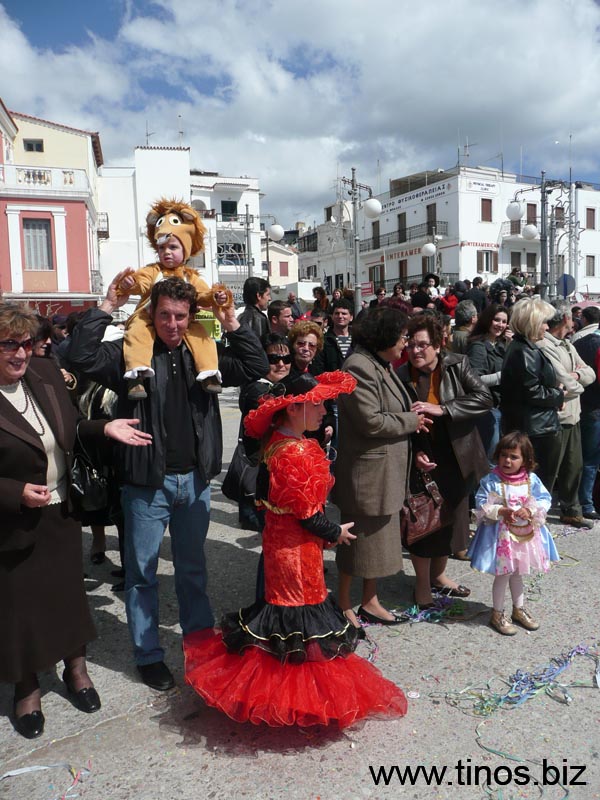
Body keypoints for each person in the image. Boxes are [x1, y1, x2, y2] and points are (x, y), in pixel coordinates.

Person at [68, 275, 269, 692]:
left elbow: (255, 366)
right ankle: (148, 654)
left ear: (191, 315)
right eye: (164, 315)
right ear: (152, 314)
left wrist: (232, 322)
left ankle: (198, 644)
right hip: (145, 484)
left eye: (180, 316)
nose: (172, 324)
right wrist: (107, 305)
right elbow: (79, 355)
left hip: (193, 481)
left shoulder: (205, 354)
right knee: (141, 574)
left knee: (192, 570)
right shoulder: (129, 354)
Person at [183, 371, 408, 728]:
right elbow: (307, 515)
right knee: (299, 625)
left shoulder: (279, 443)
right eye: (315, 404)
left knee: (290, 623)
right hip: (295, 553)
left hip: (285, 547)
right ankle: (297, 703)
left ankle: (290, 698)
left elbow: (271, 504)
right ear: (292, 410)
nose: (323, 411)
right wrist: (336, 532)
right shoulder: (293, 452)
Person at [0, 302, 151, 739]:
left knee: (67, 597)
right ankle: (27, 688)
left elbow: (70, 429)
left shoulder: (45, 375)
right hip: (13, 521)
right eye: (8, 344)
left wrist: (103, 429)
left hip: (61, 512)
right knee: (20, 608)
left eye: (25, 343)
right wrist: (12, 493)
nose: (20, 353)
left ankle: (76, 670)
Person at [334, 307, 428, 626]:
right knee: (356, 543)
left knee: (377, 544)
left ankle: (370, 601)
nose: (406, 343)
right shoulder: (358, 366)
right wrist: (411, 420)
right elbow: (370, 421)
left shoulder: (379, 362)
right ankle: (344, 603)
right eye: (402, 337)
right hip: (367, 473)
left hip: (384, 471)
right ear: (384, 335)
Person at [397, 314, 492, 608]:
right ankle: (422, 585)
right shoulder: (400, 375)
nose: (416, 351)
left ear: (438, 345)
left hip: (457, 454)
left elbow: (483, 397)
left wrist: (444, 409)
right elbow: (398, 419)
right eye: (411, 345)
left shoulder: (456, 364)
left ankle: (439, 576)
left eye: (423, 345)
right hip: (422, 456)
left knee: (451, 521)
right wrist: (415, 452)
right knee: (424, 524)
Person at [115, 200, 233, 400]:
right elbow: (141, 283)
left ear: (185, 250)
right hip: (147, 316)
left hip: (185, 321)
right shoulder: (153, 270)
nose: (166, 252)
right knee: (136, 331)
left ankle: (209, 372)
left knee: (202, 336)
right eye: (162, 248)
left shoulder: (191, 276)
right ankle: (137, 373)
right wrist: (128, 284)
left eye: (173, 247)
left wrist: (216, 296)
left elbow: (202, 296)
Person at [468, 432, 559, 635]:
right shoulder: (492, 480)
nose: (507, 460)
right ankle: (497, 613)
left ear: (525, 460)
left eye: (514, 457)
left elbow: (544, 499)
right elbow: (481, 502)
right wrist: (500, 510)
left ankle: (518, 609)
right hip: (501, 537)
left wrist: (531, 510)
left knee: (518, 573)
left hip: (525, 537)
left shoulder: (531, 480)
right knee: (504, 574)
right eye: (503, 455)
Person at [536, 304, 595, 528]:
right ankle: (537, 516)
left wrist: (576, 375)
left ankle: (571, 510)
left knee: (574, 465)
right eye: (572, 317)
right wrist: (575, 380)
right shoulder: (545, 345)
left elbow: (589, 373)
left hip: (573, 414)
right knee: (548, 470)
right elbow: (557, 381)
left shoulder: (567, 344)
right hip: (556, 418)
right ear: (566, 319)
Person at [500, 298, 565, 495]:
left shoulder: (524, 348)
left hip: (535, 425)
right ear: (532, 322)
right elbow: (532, 390)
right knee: (536, 489)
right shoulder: (524, 351)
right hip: (536, 429)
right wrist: (558, 394)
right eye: (544, 322)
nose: (547, 327)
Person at [237, 334, 292, 531]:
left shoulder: (280, 387)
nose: (281, 364)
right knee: (273, 535)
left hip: (277, 474)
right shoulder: (257, 390)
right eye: (273, 359)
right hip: (263, 475)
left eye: (286, 359)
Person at [466, 303, 512, 462]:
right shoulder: (478, 346)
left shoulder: (501, 344)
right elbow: (475, 380)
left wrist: (510, 345)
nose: (500, 325)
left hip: (500, 406)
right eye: (496, 320)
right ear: (487, 320)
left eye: (504, 321)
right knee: (490, 460)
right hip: (487, 409)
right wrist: (503, 376)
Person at [572, 306, 600, 518]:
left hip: (586, 405)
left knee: (587, 457)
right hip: (594, 407)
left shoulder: (580, 342)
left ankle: (584, 501)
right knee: (590, 458)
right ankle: (586, 502)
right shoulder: (589, 342)